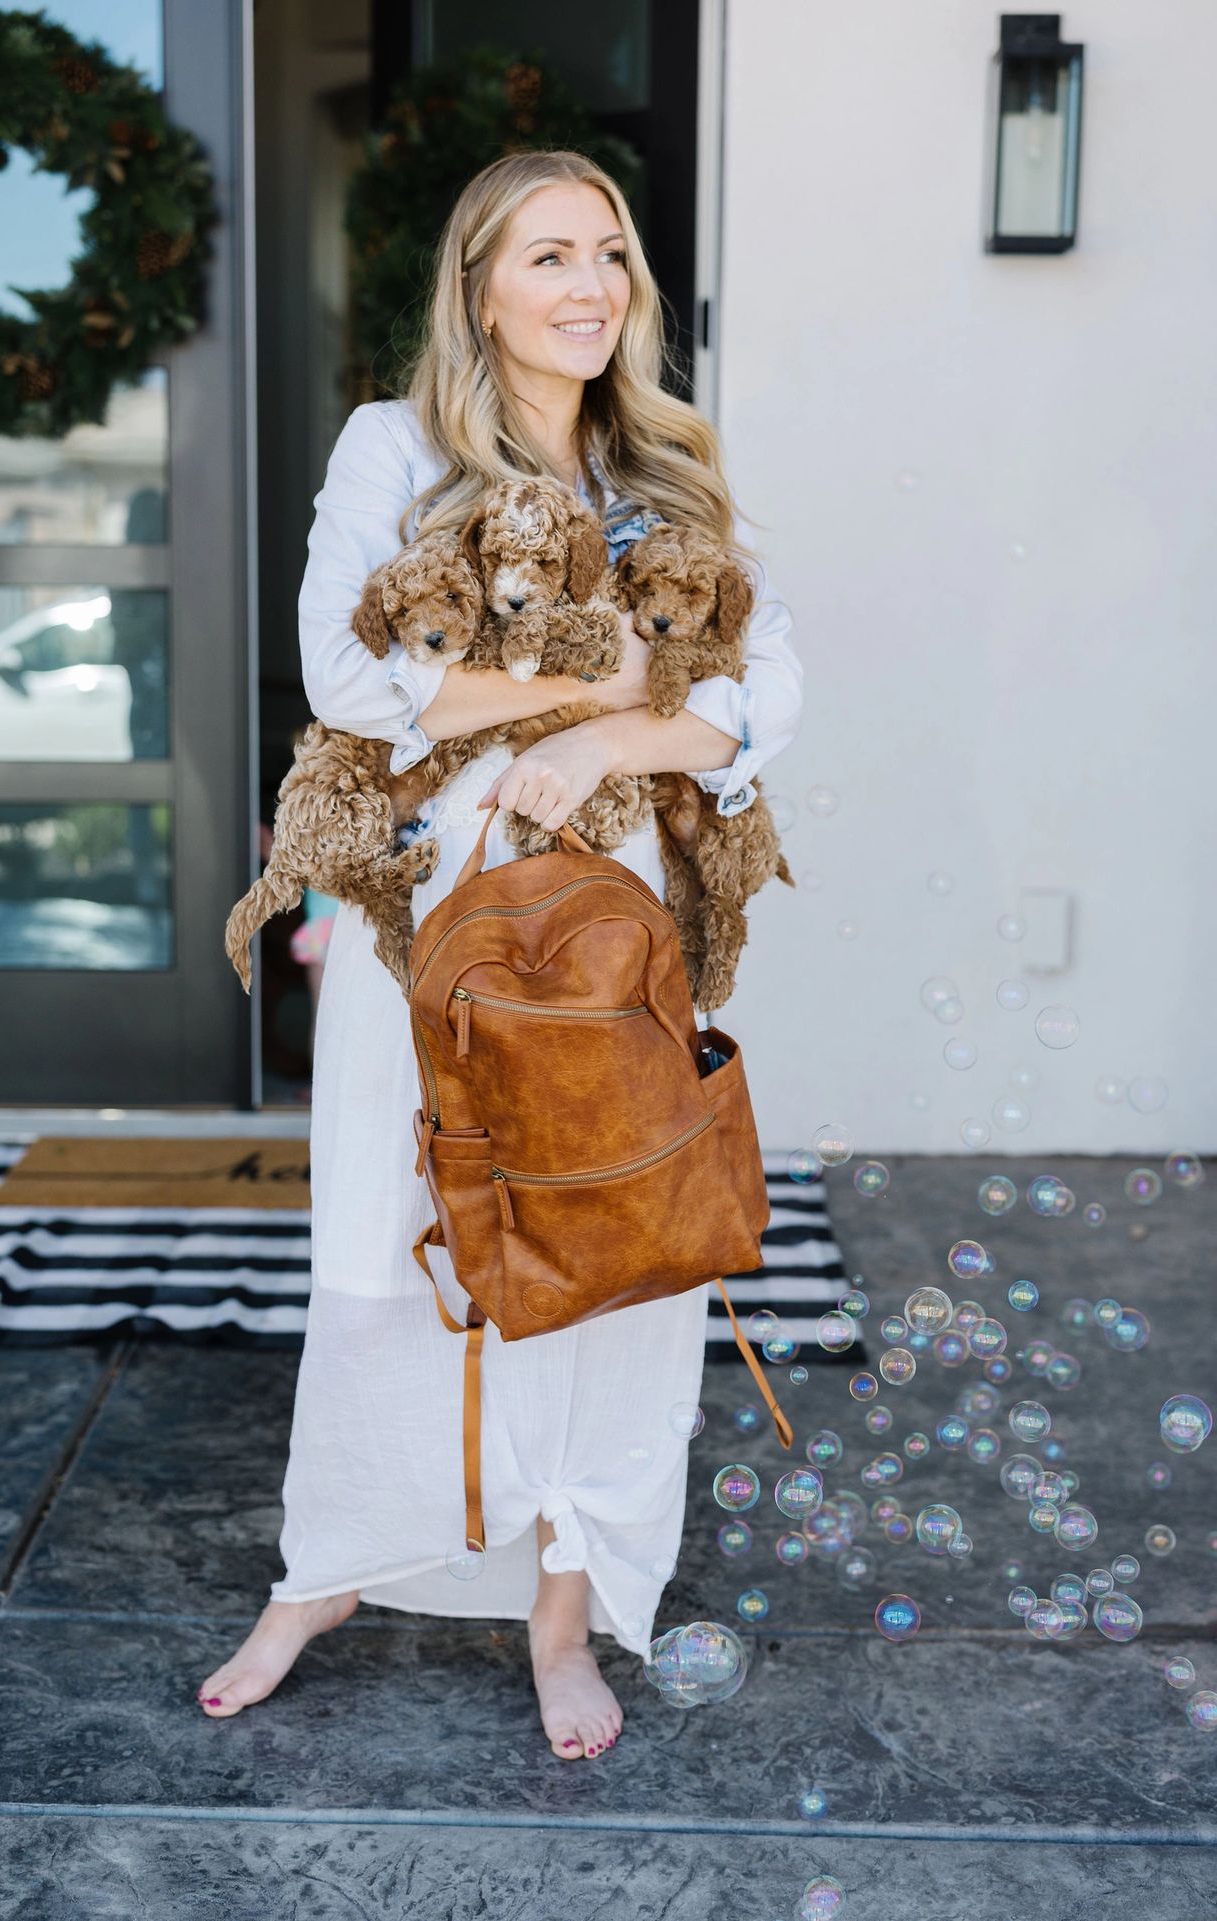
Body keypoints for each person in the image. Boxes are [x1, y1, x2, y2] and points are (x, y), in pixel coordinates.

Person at [196, 149, 804, 1760]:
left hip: (611, 908)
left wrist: (618, 729)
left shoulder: (669, 464)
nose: (591, 286)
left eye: (610, 253)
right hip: (430, 905)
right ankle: (327, 1571)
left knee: (607, 1225)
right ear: (479, 288)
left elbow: (758, 690)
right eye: (549, 256)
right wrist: (595, 686)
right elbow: (346, 670)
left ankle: (564, 1609)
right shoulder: (394, 450)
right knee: (393, 1227)